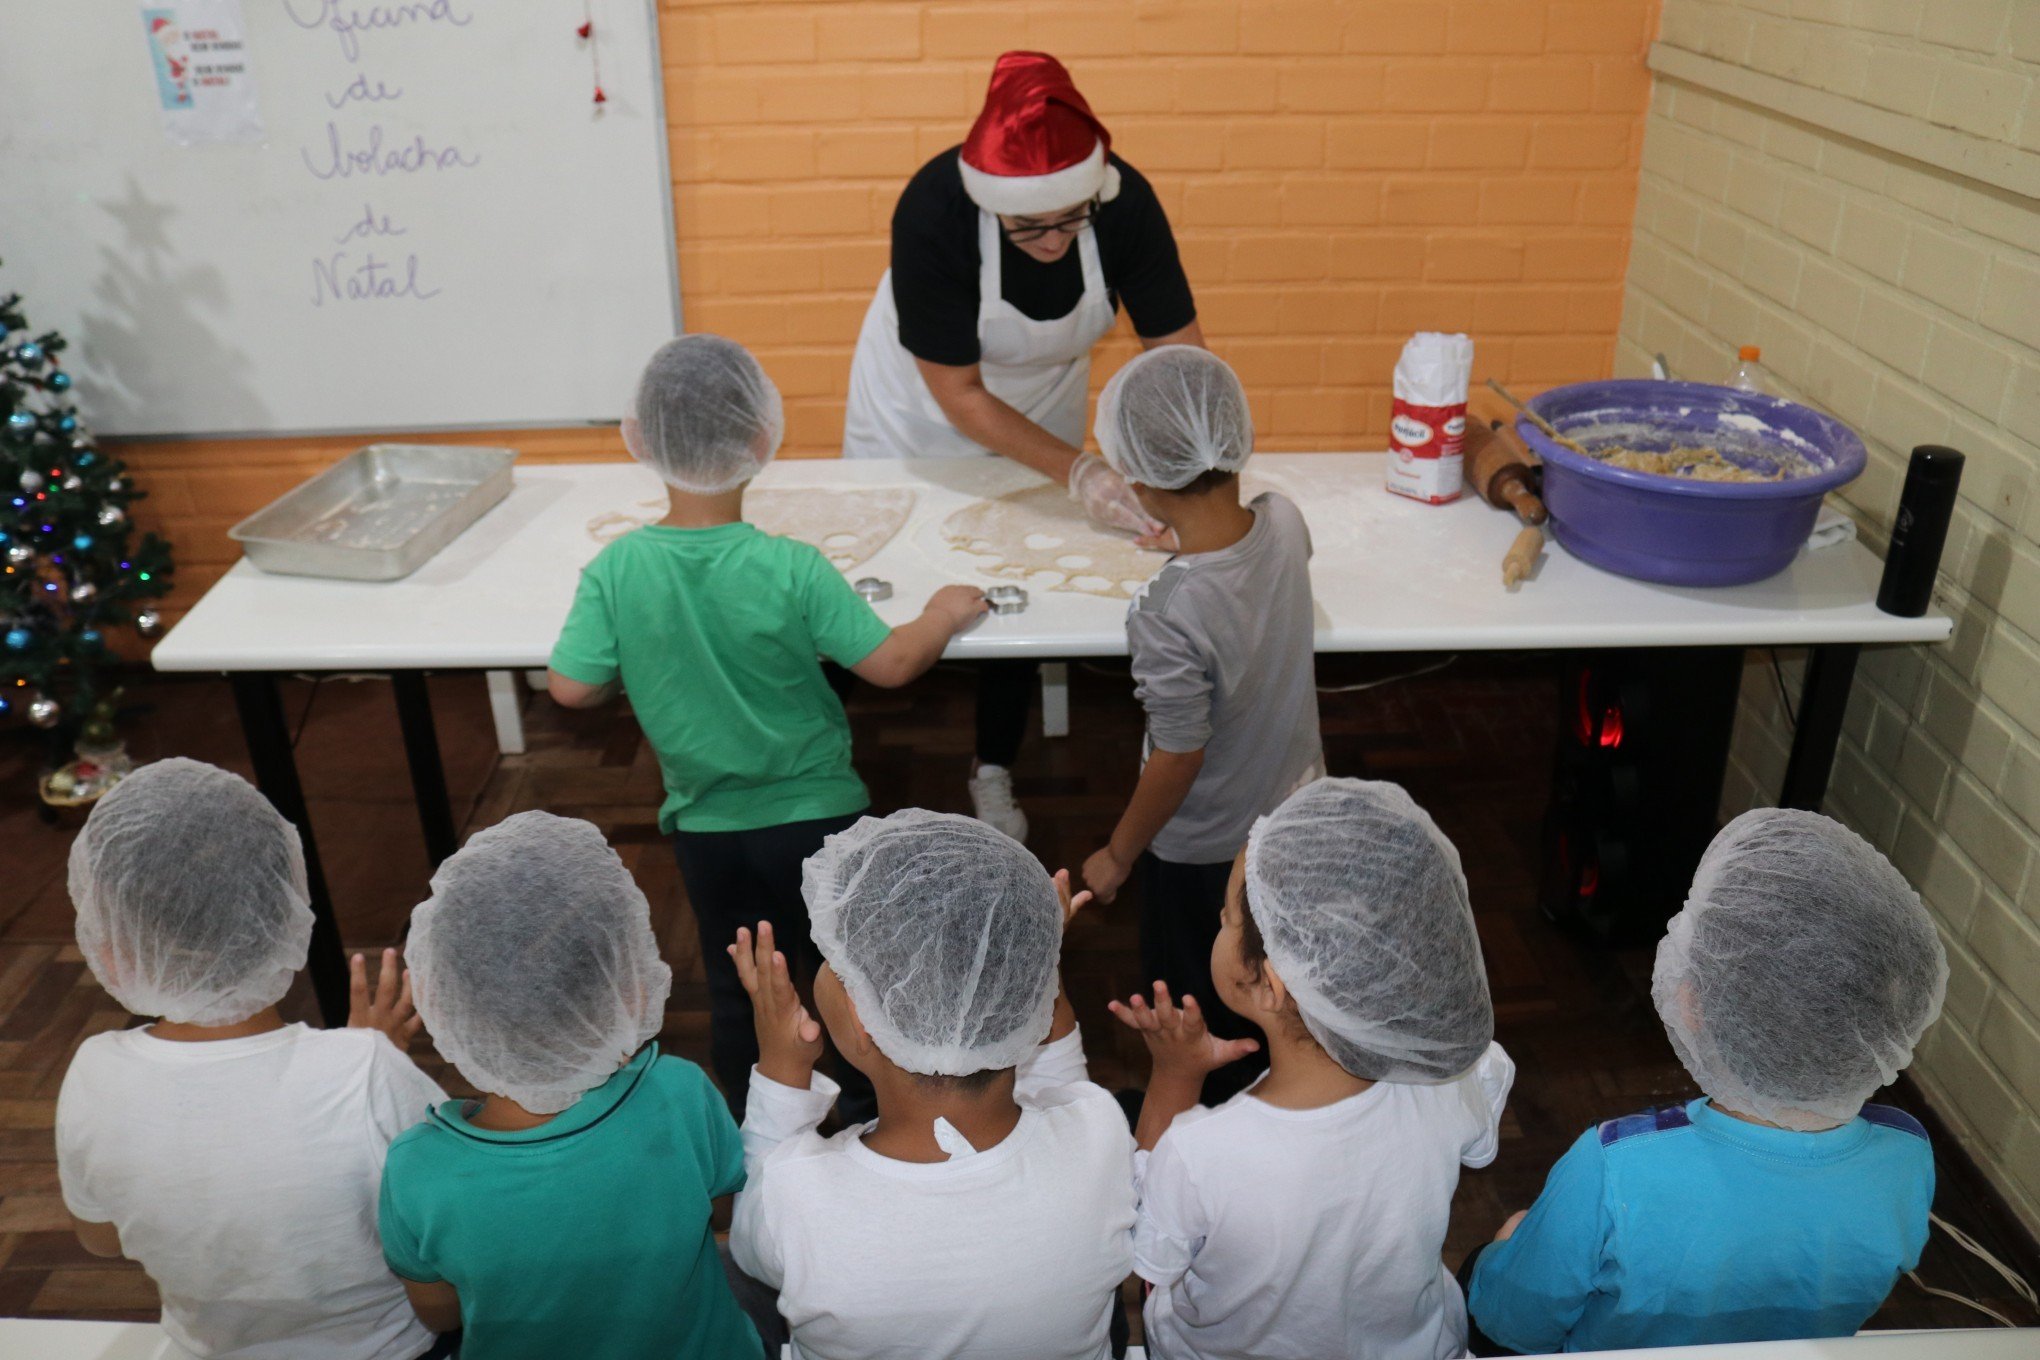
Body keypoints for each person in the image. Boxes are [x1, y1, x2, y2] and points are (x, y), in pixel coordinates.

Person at [549, 334, 986, 1118]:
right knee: (838, 968)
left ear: (641, 439)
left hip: (706, 825)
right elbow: (889, 665)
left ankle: (761, 1115)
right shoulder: (793, 567)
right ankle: (859, 1106)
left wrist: (638, 650)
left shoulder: (617, 571)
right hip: (818, 819)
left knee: (737, 978)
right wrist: (941, 613)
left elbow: (570, 688)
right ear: (761, 438)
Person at [844, 50, 1204, 840]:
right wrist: (1077, 468)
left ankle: (994, 764)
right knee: (886, 578)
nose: (1049, 242)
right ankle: (841, 768)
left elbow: (1179, 360)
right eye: (1027, 225)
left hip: (1043, 395)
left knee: (1010, 577)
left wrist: (1193, 475)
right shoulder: (934, 211)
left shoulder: (1127, 206)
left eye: (1069, 220)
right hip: (920, 405)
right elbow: (959, 393)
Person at [1465, 808, 1950, 1355]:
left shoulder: (1615, 1165)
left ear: (1692, 1001)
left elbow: (1512, 1323)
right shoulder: (1905, 1152)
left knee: (1501, 1246)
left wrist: (1502, 1250)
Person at [55, 758, 450, 1360]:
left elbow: (103, 1239)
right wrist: (370, 1055)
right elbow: (451, 1230)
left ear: (110, 940)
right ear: (282, 913)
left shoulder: (92, 1075)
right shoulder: (368, 1073)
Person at [1114, 777, 1513, 1360]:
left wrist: (1177, 1074)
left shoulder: (1203, 1152)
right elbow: (1476, 1147)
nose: (1219, 925)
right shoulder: (1449, 1083)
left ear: (1271, 984)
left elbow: (1150, 1257)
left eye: (1226, 918)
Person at [728, 810, 1135, 1360]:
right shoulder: (1100, 1133)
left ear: (862, 1018)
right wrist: (1030, 960)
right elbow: (1066, 1081)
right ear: (1030, 998)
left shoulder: (794, 1196)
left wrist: (781, 1065)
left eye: (831, 957)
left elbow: (755, 1244)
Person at [378, 811, 763, 1360]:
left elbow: (440, 1314)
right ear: (629, 988)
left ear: (443, 1005)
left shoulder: (416, 1168)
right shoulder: (679, 1094)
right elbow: (722, 1216)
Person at [1080, 345, 1322, 1101]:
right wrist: (1188, 538)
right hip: (1287, 817)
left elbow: (1179, 755)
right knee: (1267, 972)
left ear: (1142, 482)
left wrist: (1119, 857)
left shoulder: (1166, 610)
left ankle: (1205, 1112)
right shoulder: (1283, 520)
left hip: (1200, 851)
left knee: (1200, 995)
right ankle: (1278, 1090)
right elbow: (1247, 568)